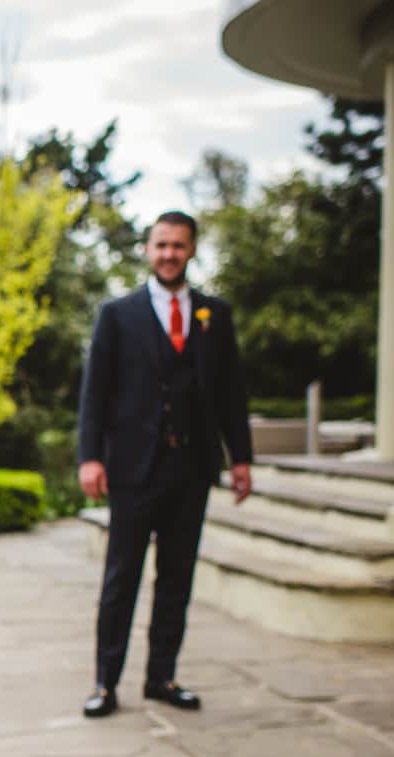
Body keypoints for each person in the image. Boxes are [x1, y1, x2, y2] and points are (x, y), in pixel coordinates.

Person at [76, 210, 253, 719]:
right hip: (133, 471)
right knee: (121, 580)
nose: (169, 254)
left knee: (177, 578)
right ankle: (105, 683)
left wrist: (239, 458)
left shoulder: (213, 315)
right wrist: (90, 457)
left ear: (192, 249)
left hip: (192, 469)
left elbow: (231, 394)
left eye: (179, 245)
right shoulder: (117, 314)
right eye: (161, 245)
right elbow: (96, 395)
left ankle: (162, 677)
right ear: (148, 250)